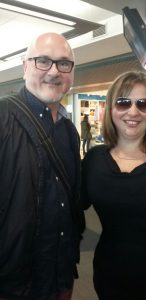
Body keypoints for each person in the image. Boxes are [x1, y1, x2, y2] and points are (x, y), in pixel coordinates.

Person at [0, 32, 85, 300]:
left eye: (63, 63)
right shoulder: (3, 118)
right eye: (43, 61)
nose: (54, 71)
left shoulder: (69, 131)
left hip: (60, 275)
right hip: (14, 283)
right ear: (25, 66)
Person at [81, 70, 146, 300]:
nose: (133, 111)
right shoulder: (95, 160)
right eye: (123, 103)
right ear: (111, 108)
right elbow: (68, 207)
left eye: (142, 104)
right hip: (110, 277)